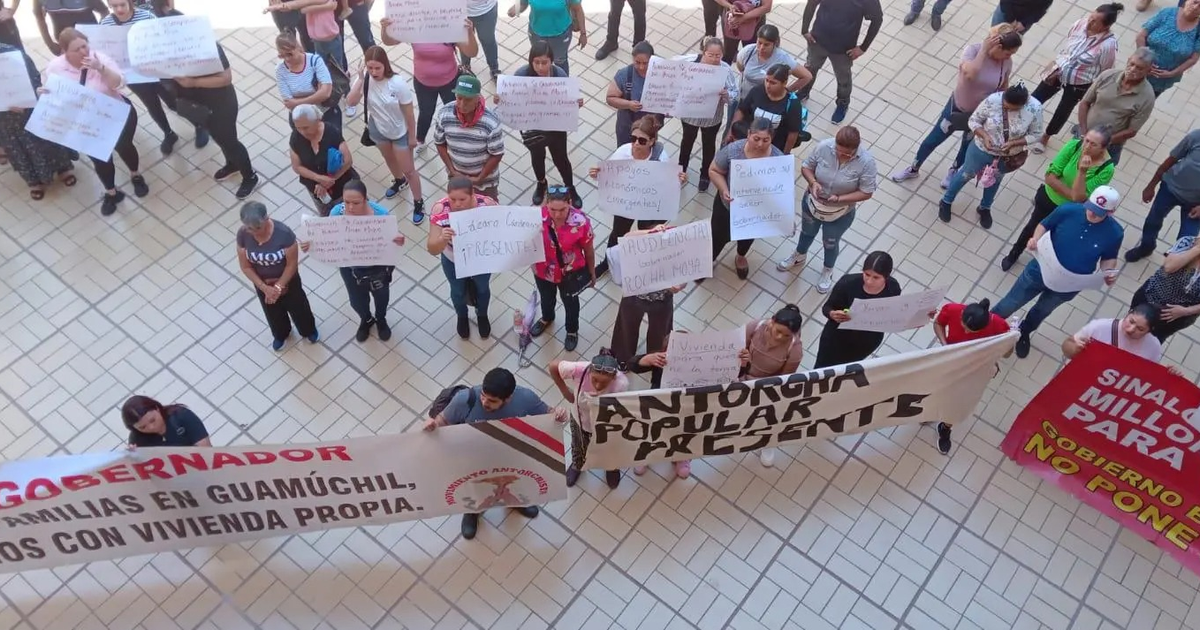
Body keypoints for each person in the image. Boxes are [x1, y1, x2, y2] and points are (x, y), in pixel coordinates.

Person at [423, 367, 565, 540]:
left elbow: (548, 414)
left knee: (513, 482)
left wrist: (558, 414)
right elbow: (443, 421)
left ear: (508, 398)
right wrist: (432, 425)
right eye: (483, 395)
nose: (484, 402)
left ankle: (516, 502)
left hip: (510, 456)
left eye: (492, 400)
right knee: (475, 488)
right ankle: (473, 512)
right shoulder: (464, 399)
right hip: (473, 459)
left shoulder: (526, 398)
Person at [992, 186, 1123, 358]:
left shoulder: (1115, 233)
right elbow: (1044, 224)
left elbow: (1108, 257)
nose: (1091, 214)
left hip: (1068, 285)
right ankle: (988, 324)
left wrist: (1108, 272)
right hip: (1039, 270)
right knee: (1012, 301)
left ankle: (1024, 332)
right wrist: (1035, 239)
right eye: (1091, 208)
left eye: (1098, 212)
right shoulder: (1068, 210)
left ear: (1111, 212)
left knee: (1042, 311)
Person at [890, 26, 1021, 189]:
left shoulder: (1006, 63)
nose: (1009, 57)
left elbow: (1003, 87)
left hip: (979, 116)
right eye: (1008, 53)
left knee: (966, 146)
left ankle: (953, 170)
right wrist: (984, 51)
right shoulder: (973, 51)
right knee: (933, 140)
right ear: (998, 46)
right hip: (957, 109)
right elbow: (971, 74)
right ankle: (914, 167)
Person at [44, 28, 147, 216]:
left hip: (116, 115)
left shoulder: (100, 58)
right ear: (65, 51)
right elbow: (53, 94)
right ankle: (111, 192)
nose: (84, 52)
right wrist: (42, 93)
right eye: (77, 49)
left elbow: (118, 84)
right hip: (86, 124)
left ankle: (136, 174)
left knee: (125, 147)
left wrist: (100, 68)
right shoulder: (56, 67)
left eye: (85, 46)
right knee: (100, 159)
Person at [300, 180, 406, 342]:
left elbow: (392, 239)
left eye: (355, 203)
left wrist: (398, 240)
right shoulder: (336, 213)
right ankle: (366, 319)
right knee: (356, 301)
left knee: (381, 297)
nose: (350, 207)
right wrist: (311, 244)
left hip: (378, 267)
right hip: (350, 268)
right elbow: (327, 237)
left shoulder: (381, 215)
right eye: (346, 202)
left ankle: (381, 319)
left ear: (366, 200)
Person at [778, 127, 878, 293]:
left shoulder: (867, 163)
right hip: (812, 203)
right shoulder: (824, 147)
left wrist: (839, 199)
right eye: (837, 151)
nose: (840, 155)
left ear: (855, 149)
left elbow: (866, 192)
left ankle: (827, 270)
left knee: (830, 242)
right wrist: (813, 182)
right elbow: (806, 167)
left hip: (840, 212)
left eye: (846, 154)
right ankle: (799, 256)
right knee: (807, 232)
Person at [1001, 127, 1116, 271]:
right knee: (1032, 227)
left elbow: (1081, 197)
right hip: (1048, 199)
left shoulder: (1107, 168)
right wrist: (1073, 195)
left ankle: (1044, 264)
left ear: (1103, 148)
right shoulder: (1074, 145)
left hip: (1070, 211)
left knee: (1057, 237)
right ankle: (1014, 253)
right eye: (1086, 140)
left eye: (1093, 144)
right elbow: (1050, 177)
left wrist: (1082, 172)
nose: (1086, 146)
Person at [101, 0, 205, 155]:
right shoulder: (105, 24)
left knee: (173, 102)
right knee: (152, 105)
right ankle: (169, 134)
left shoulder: (146, 16)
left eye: (122, 4)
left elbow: (163, 40)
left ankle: (199, 124)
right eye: (114, 6)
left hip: (156, 72)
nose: (119, 9)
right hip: (133, 77)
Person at [590, 117, 686, 278]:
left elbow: (668, 184)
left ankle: (639, 263)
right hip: (626, 203)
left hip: (649, 206)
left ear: (652, 141)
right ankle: (608, 262)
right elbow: (609, 175)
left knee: (646, 235)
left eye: (642, 140)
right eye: (633, 138)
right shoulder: (623, 151)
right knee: (618, 233)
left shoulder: (661, 157)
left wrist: (678, 181)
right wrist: (598, 175)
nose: (635, 144)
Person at [939, 84, 1043, 228]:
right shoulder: (994, 100)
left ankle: (985, 207)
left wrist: (1015, 142)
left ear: (1022, 104)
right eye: (1005, 106)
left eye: (1012, 108)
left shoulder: (1035, 108)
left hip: (1007, 156)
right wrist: (985, 136)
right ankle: (946, 201)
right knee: (966, 174)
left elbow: (1036, 134)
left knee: (995, 180)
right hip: (981, 149)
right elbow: (974, 121)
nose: (1007, 109)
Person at [172, 40, 260, 199]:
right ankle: (232, 164)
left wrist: (193, 82)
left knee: (230, 141)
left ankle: (250, 176)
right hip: (201, 104)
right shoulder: (172, 50)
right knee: (218, 136)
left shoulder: (210, 46)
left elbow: (226, 78)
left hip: (222, 102)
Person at [499, 41, 584, 207]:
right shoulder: (522, 75)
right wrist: (501, 99)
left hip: (555, 125)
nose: (540, 67)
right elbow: (511, 97)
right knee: (537, 156)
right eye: (536, 62)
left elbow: (567, 98)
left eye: (544, 62)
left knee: (561, 158)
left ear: (551, 61)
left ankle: (570, 187)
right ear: (531, 61)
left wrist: (575, 103)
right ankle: (541, 183)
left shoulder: (559, 74)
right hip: (532, 125)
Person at [1029, 5, 1122, 155]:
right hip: (1058, 71)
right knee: (1036, 98)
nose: (1090, 22)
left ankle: (1046, 136)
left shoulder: (1108, 45)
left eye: (1095, 21)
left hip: (1080, 83)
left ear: (1106, 26)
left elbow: (1106, 69)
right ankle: (1024, 123)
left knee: (1063, 110)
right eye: (1091, 17)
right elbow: (1068, 44)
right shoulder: (1080, 23)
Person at [346, 45, 425, 222]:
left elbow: (409, 113)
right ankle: (399, 180)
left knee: (409, 170)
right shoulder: (366, 79)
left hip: (399, 132)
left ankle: (418, 201)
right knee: (389, 159)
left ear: (385, 65)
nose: (373, 72)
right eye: (370, 67)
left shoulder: (397, 83)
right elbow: (350, 101)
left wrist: (412, 136)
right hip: (378, 129)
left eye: (377, 68)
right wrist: (360, 79)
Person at [380, 16, 478, 155]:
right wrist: (385, 28)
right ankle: (420, 139)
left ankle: (456, 138)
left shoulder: (450, 26)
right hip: (423, 83)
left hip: (450, 81)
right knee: (425, 112)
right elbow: (389, 41)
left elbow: (472, 52)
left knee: (456, 112)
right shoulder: (414, 24)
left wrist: (469, 33)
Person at [236, 202, 320, 350]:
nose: (254, 232)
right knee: (272, 311)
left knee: (298, 307)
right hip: (262, 282)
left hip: (288, 280)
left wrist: (279, 286)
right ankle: (281, 333)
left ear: (267, 218)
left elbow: (291, 264)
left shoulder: (284, 234)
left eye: (258, 228)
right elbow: (245, 266)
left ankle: (308, 330)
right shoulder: (243, 235)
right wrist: (264, 287)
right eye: (249, 229)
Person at [930, 299, 1010, 453]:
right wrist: (944, 345)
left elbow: (1007, 353)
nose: (965, 332)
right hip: (950, 360)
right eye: (963, 327)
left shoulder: (999, 325)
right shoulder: (952, 309)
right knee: (937, 389)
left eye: (971, 331)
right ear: (961, 315)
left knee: (959, 401)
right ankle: (931, 411)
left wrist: (1008, 343)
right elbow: (938, 323)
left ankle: (946, 426)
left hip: (975, 368)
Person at [708, 117, 784, 279]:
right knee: (717, 236)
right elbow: (714, 170)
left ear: (772, 138)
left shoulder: (778, 158)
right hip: (727, 206)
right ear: (749, 134)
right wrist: (724, 189)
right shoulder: (733, 150)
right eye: (756, 139)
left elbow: (781, 189)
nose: (760, 144)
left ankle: (741, 255)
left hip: (755, 212)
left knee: (747, 237)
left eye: (766, 140)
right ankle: (710, 259)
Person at [0, 43, 76, 201]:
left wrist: (27, 95)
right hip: (4, 117)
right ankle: (33, 180)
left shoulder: (11, 52)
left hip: (29, 105)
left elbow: (33, 75)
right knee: (19, 147)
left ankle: (63, 167)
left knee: (46, 136)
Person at [428, 177, 498, 339]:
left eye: (462, 199)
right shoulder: (440, 209)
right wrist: (442, 239)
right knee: (457, 290)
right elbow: (432, 248)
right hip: (453, 259)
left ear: (473, 194)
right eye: (453, 199)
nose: (457, 204)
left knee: (482, 288)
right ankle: (462, 316)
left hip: (480, 257)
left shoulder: (487, 205)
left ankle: (482, 315)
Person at [549, 352, 629, 488]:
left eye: (603, 383)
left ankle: (611, 468)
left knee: (610, 448)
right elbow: (553, 366)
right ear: (589, 371)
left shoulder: (621, 383)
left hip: (606, 424)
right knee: (578, 445)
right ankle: (577, 466)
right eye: (594, 380)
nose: (598, 386)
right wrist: (565, 392)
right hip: (581, 420)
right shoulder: (579, 370)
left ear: (613, 377)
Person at [797, 0, 884, 124]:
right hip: (817, 41)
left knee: (843, 79)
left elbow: (877, 19)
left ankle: (842, 103)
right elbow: (812, 3)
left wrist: (863, 47)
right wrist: (804, 29)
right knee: (810, 68)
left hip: (844, 49)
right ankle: (803, 91)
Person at [531, 186, 596, 351]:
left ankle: (572, 330)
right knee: (546, 297)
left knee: (571, 303)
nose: (557, 214)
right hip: (542, 269)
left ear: (570, 203)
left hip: (570, 272)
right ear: (546, 204)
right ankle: (547, 318)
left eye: (562, 209)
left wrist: (592, 273)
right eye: (552, 209)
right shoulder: (534, 217)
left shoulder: (580, 222)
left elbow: (588, 250)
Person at [609, 225, 686, 363]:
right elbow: (627, 238)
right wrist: (651, 232)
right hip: (634, 295)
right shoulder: (644, 242)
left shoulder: (679, 255)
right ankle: (624, 358)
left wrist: (678, 286)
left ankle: (655, 359)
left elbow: (686, 276)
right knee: (626, 328)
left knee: (660, 332)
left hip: (662, 300)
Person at [813, 251, 903, 368]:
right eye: (866, 274)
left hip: (866, 341)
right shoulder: (848, 283)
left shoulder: (893, 287)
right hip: (836, 339)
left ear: (886, 276)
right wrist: (832, 314)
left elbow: (895, 311)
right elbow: (827, 307)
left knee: (847, 370)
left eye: (876, 277)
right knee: (822, 368)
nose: (869, 281)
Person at [740, 304, 804, 468]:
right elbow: (737, 348)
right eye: (778, 331)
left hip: (767, 386)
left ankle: (768, 442)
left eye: (786, 335)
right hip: (741, 376)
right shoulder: (754, 327)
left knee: (770, 415)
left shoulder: (794, 351)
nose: (780, 337)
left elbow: (784, 379)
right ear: (772, 321)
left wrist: (761, 388)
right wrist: (742, 359)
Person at [1125, 129, 1200, 262]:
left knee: (1186, 240)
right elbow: (1170, 160)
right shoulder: (1196, 136)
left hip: (1195, 204)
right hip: (1169, 189)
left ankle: (1172, 266)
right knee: (1153, 220)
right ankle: (1146, 247)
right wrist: (1151, 185)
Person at [1074, 50, 1157, 166]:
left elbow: (1132, 131)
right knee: (1070, 163)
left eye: (1139, 68)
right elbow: (1085, 103)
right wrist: (1084, 133)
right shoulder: (1108, 76)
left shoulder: (1147, 97)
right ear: (1128, 60)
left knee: (1094, 175)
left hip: (1109, 146)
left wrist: (1102, 142)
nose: (1133, 69)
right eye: (1132, 64)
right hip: (1085, 134)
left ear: (1149, 70)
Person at [676, 37, 739, 191]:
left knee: (708, 145)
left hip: (712, 118)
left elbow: (735, 94)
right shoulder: (692, 65)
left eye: (718, 55)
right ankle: (680, 171)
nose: (714, 59)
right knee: (687, 142)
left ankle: (705, 175)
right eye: (710, 55)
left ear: (722, 55)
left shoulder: (725, 70)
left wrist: (726, 95)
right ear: (703, 53)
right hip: (690, 115)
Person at [625, 335, 692, 478]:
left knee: (682, 432)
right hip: (657, 403)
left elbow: (723, 374)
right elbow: (631, 364)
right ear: (664, 351)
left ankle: (680, 456)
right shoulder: (660, 360)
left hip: (685, 407)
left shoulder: (699, 364)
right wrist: (647, 359)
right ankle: (646, 454)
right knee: (652, 430)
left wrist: (742, 365)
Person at [433, 74, 505, 200]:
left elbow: (497, 154)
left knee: (488, 210)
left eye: (468, 100)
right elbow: (439, 143)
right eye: (459, 98)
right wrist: (452, 171)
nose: (462, 104)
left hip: (485, 182)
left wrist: (479, 178)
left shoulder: (491, 122)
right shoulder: (444, 114)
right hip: (456, 178)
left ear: (478, 98)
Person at [289, 103, 359, 214]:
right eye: (298, 128)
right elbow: (297, 166)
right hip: (318, 192)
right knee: (329, 218)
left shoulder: (331, 132)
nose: (302, 132)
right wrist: (318, 178)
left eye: (306, 127)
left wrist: (329, 180)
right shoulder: (296, 137)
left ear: (317, 120)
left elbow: (347, 160)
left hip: (342, 187)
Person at [1132, 236, 1200, 341]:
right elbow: (1169, 267)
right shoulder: (1188, 242)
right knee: (1131, 327)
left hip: (1175, 316)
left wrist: (1185, 311)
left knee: (1153, 341)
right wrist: (1196, 249)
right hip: (1149, 297)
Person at [729, 63, 802, 153]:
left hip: (773, 149)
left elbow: (793, 133)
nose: (768, 85)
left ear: (784, 83)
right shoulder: (757, 91)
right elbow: (741, 110)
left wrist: (785, 153)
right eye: (766, 80)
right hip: (749, 144)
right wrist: (731, 132)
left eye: (773, 83)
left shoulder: (792, 104)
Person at [275, 33, 341, 128]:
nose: (287, 59)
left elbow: (326, 93)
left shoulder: (314, 61)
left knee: (332, 142)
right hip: (301, 119)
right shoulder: (280, 70)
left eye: (289, 54)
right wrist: (316, 95)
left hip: (325, 115)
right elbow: (289, 102)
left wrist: (297, 101)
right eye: (281, 56)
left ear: (297, 47)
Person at [1137, 0, 1200, 96]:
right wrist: (1144, 61)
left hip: (1162, 79)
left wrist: (1173, 73)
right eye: (1195, 2)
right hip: (1139, 68)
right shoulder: (1168, 12)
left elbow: (1194, 58)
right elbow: (1141, 36)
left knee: (1143, 105)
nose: (1195, 7)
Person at [508, 0, 586, 75]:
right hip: (536, 34)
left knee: (560, 60)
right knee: (539, 60)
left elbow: (578, 9)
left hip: (560, 36)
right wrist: (516, 9)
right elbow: (523, 3)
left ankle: (563, 83)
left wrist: (583, 33)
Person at [1063, 304, 1163, 362]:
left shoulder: (1153, 346)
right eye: (1131, 321)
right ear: (1128, 313)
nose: (1131, 329)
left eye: (1140, 329)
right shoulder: (1099, 327)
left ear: (1149, 331)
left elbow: (1150, 374)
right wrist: (1075, 349)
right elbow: (1067, 346)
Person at [604, 40, 654, 147]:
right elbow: (610, 98)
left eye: (645, 63)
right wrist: (628, 104)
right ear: (632, 59)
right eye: (637, 62)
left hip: (650, 128)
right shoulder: (625, 75)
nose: (641, 67)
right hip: (627, 127)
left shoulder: (661, 74)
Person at [121, 395, 212, 448]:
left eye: (153, 420)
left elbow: (205, 449)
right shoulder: (137, 439)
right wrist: (133, 459)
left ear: (157, 409)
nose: (151, 427)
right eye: (143, 427)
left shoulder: (181, 415)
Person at [33, 0, 107, 55]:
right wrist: (50, 45)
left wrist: (100, 38)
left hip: (90, 43)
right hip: (65, 45)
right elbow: (39, 17)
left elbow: (104, 11)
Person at [716, 0, 773, 64]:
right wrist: (730, 6)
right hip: (732, 19)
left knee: (751, 55)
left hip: (754, 22)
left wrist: (744, 18)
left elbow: (767, 7)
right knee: (728, 53)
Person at [463, 0, 501, 81]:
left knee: (488, 40)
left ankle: (494, 68)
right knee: (464, 41)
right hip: (460, 10)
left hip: (486, 10)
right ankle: (465, 67)